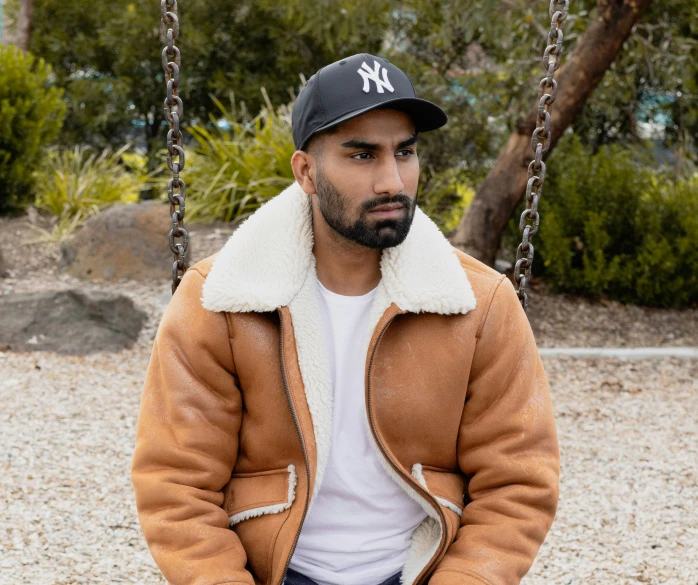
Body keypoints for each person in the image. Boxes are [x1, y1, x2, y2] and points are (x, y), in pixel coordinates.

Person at [131, 53, 560, 585]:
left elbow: (518, 485)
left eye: (405, 152)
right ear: (306, 172)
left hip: (421, 572)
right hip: (274, 573)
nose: (391, 181)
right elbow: (176, 486)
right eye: (362, 155)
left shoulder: (479, 304)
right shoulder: (222, 300)